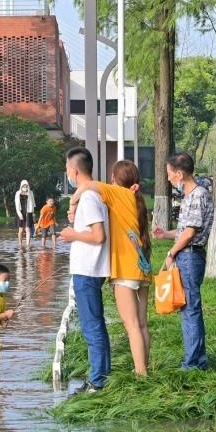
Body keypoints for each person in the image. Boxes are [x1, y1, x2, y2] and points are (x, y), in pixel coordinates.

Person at [71, 160, 153, 375]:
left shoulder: (118, 193)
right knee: (142, 324)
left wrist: (72, 203)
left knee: (132, 325)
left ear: (115, 180)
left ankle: (141, 373)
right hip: (142, 267)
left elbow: (88, 185)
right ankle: (145, 368)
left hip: (125, 269)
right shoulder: (135, 199)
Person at [153, 152, 213, 371]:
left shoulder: (198, 195)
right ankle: (196, 359)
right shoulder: (190, 196)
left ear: (180, 173)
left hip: (189, 255)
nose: (169, 179)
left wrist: (171, 253)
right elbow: (183, 231)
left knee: (191, 310)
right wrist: (166, 234)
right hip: (187, 252)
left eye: (170, 174)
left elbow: (189, 234)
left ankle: (194, 364)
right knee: (188, 309)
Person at [59, 147, 112, 393]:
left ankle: (98, 380)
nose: (67, 173)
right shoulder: (91, 195)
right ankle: (101, 375)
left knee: (92, 326)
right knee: (95, 324)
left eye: (67, 169)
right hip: (89, 269)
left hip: (88, 270)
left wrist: (72, 235)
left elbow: (98, 236)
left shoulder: (90, 197)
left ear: (75, 170)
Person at [14, 179, 36, 246]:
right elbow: (16, 204)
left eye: (26, 186)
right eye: (24, 186)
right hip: (20, 212)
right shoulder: (18, 193)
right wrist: (19, 214)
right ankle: (20, 244)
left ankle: (28, 244)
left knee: (28, 230)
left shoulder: (30, 192)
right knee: (20, 230)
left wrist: (33, 214)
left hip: (28, 212)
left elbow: (33, 203)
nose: (25, 187)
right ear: (21, 186)